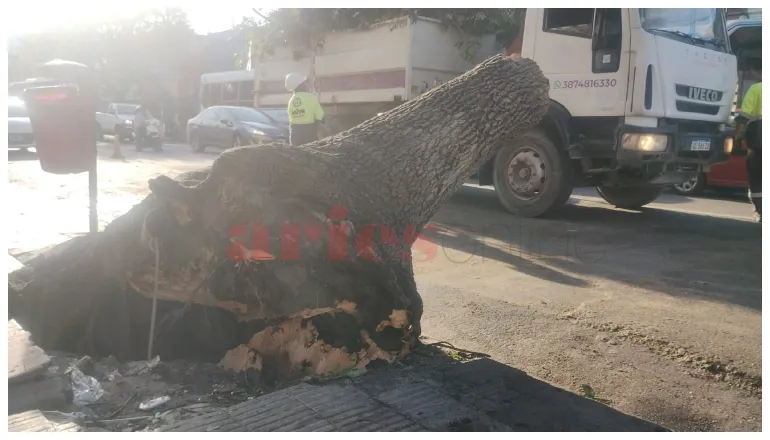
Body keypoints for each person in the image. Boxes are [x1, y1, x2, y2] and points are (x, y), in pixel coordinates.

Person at [734, 58, 762, 222]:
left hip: (759, 142)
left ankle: (761, 211)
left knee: (757, 177)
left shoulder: (757, 89)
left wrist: (737, 136)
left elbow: (743, 116)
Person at [285, 73, 325, 146]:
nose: (307, 84)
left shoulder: (291, 100)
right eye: (305, 82)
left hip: (294, 136)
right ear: (302, 85)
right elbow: (320, 116)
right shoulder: (311, 97)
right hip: (309, 134)